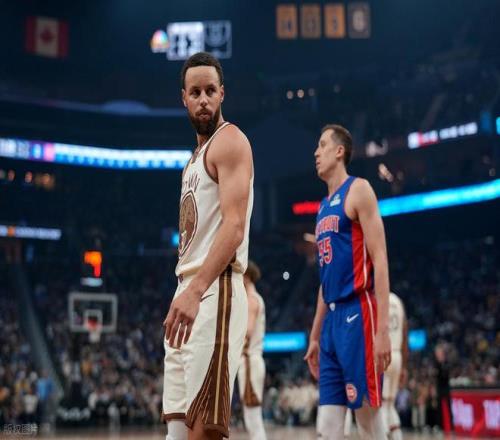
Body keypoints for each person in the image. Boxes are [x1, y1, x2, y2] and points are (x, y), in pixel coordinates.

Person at [162, 52, 254, 440]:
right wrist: (186, 291)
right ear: (183, 98)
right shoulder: (192, 162)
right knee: (176, 431)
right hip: (187, 290)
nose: (203, 99)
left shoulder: (229, 141)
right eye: (195, 92)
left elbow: (234, 227)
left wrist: (196, 289)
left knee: (204, 432)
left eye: (210, 91)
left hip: (214, 290)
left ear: (222, 94)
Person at [304, 124, 391, 439]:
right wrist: (315, 336)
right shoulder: (322, 207)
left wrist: (382, 330)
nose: (316, 152)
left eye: (322, 145)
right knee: (327, 427)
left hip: (358, 313)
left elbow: (380, 259)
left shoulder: (359, 190)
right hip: (331, 322)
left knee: (367, 419)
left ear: (339, 151)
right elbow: (324, 280)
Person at [237, 260, 267, 440]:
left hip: (249, 361)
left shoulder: (251, 300)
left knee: (253, 418)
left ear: (247, 277)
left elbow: (247, 332)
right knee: (252, 417)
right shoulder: (255, 298)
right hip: (252, 361)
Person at [381, 292, 408, 440]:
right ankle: (397, 436)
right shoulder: (398, 301)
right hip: (397, 355)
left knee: (383, 404)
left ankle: (383, 436)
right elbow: (405, 334)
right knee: (390, 404)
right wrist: (404, 366)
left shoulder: (378, 299)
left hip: (384, 353)